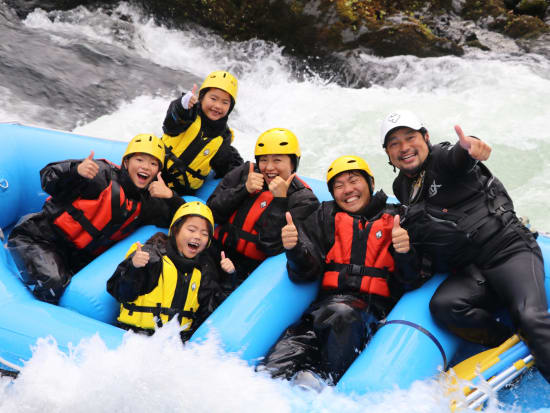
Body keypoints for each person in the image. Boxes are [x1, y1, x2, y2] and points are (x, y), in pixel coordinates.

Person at [380, 109, 550, 383]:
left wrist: (471, 146)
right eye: (394, 144)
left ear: (426, 138)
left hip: (509, 250)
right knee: (445, 306)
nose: (404, 148)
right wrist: (403, 249)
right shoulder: (402, 187)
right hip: (473, 269)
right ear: (388, 154)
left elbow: (459, 155)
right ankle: (508, 343)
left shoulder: (442, 160)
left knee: (530, 317)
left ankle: (531, 334)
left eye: (410, 138)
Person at [259, 155, 419, 385]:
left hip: (369, 316)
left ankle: (325, 384)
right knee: (270, 372)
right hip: (321, 314)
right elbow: (305, 272)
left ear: (371, 183)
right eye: (339, 185)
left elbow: (411, 279)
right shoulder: (325, 216)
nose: (348, 190)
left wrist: (404, 252)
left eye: (354, 181)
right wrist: (294, 249)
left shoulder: (398, 218)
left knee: (343, 315)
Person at [8, 134, 184, 304]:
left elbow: (182, 220)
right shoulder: (100, 175)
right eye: (140, 160)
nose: (146, 167)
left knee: (68, 290)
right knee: (52, 284)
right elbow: (47, 177)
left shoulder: (148, 204)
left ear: (157, 172)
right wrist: (75, 171)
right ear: (126, 162)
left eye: (153, 163)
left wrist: (170, 196)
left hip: (76, 257)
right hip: (39, 238)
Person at [206, 128, 320, 292]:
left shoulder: (303, 200)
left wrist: (280, 201)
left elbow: (269, 246)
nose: (269, 167)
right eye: (264, 160)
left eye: (277, 160)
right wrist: (243, 189)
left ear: (293, 163)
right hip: (215, 252)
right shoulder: (246, 173)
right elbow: (212, 213)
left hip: (248, 271)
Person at [107, 201, 232, 341]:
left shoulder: (202, 272)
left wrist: (228, 278)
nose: (197, 236)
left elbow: (209, 315)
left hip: (174, 346)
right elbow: (121, 294)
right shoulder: (151, 256)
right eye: (191, 230)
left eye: (204, 233)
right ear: (176, 230)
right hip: (135, 336)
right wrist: (134, 268)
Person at [161, 70, 244, 195]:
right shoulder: (188, 112)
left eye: (225, 102)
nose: (218, 106)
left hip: (181, 190)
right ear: (202, 97)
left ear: (230, 108)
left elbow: (225, 164)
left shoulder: (223, 137)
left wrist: (246, 174)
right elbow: (171, 124)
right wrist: (181, 106)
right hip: (156, 171)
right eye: (213, 98)